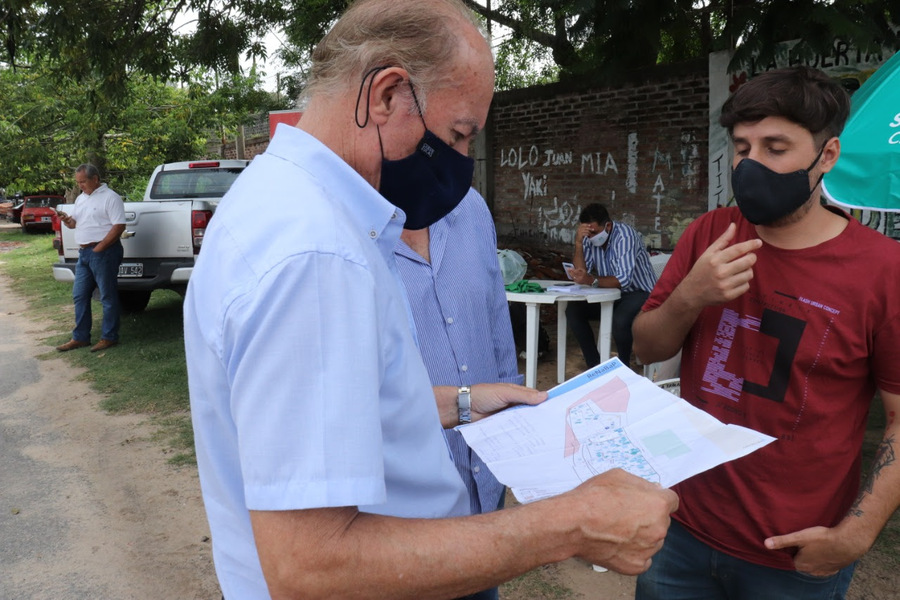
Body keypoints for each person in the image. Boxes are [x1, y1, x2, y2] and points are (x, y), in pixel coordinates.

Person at [183, 1, 678, 598]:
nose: (461, 163)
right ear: (387, 94)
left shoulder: (282, 202)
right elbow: (311, 565)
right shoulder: (317, 255)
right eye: (458, 134)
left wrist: (458, 402)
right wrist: (570, 524)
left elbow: (323, 407)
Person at [631, 66, 900, 600]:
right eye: (742, 147)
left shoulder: (882, 270)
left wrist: (857, 533)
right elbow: (647, 347)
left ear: (827, 157)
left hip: (793, 552)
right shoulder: (712, 233)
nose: (750, 166)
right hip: (683, 527)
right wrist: (691, 295)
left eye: (775, 148)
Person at [395, 187, 520, 600]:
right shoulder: (348, 233)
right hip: (405, 508)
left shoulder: (470, 208)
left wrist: (513, 411)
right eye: (456, 135)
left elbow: (496, 318)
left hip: (483, 475)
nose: (462, 157)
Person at [565, 203, 656, 368]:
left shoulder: (625, 236)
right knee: (573, 311)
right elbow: (581, 271)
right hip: (608, 292)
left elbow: (623, 280)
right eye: (587, 233)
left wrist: (591, 280)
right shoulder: (588, 237)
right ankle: (595, 366)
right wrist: (578, 243)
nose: (591, 237)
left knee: (619, 321)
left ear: (607, 225)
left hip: (638, 292)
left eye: (594, 232)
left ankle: (623, 367)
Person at [56, 164, 125, 353]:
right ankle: (80, 337)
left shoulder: (110, 197)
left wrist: (100, 247)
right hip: (84, 253)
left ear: (95, 179)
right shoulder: (81, 199)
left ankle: (109, 337)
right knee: (79, 294)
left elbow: (119, 226)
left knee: (107, 295)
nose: (80, 186)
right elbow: (74, 224)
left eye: (83, 182)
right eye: (78, 182)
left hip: (103, 251)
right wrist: (67, 220)